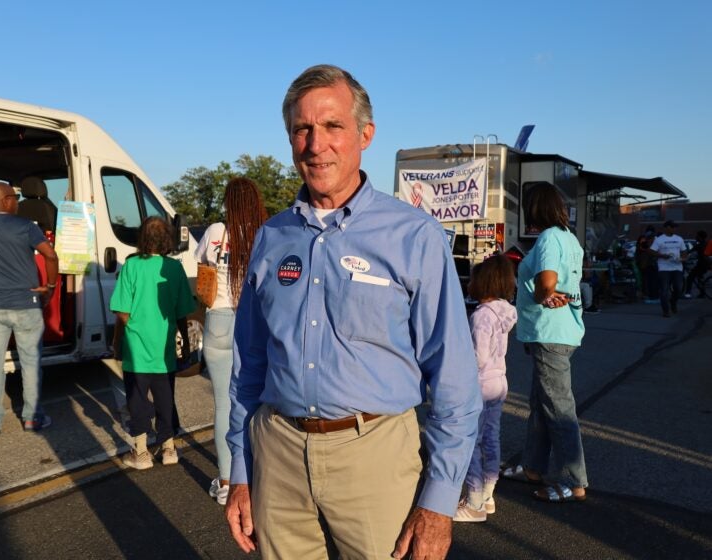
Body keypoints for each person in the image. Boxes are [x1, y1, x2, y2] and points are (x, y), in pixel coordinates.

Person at [225, 64, 481, 560]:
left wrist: (440, 502)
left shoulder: (414, 237)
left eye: (332, 126)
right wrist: (239, 469)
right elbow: (248, 365)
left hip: (376, 455)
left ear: (365, 134)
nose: (316, 144)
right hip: (277, 453)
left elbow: (453, 377)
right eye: (302, 129)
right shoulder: (271, 238)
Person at [502, 181, 588, 503]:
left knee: (557, 407)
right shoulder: (569, 238)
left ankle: (572, 481)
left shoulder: (550, 237)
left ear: (535, 209)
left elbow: (548, 280)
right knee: (541, 404)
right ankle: (533, 466)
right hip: (560, 332)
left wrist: (543, 295)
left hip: (550, 333)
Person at [0, 182, 59, 434]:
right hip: (26, 305)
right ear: (5, 200)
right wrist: (49, 286)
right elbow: (50, 255)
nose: (18, 202)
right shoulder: (26, 227)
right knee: (30, 362)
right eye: (15, 197)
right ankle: (32, 418)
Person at [195, 177, 268, 505]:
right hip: (253, 321)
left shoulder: (215, 232)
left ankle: (226, 482)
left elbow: (201, 269)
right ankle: (258, 476)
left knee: (224, 404)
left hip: (219, 320)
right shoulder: (265, 232)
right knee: (258, 401)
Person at [110, 217, 196, 469]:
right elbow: (182, 313)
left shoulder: (131, 266)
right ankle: (168, 449)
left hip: (137, 346)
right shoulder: (174, 268)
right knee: (164, 397)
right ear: (167, 239)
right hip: (165, 346)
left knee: (136, 398)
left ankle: (141, 452)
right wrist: (186, 345)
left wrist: (120, 341)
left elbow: (121, 311)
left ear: (142, 238)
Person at [454, 255, 517, 523]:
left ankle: (474, 502)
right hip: (499, 381)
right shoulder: (505, 311)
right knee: (491, 439)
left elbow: (476, 357)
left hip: (478, 385)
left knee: (471, 442)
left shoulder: (481, 316)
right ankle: (488, 495)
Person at [649, 220, 687, 317]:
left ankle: (673, 302)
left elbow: (684, 251)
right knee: (664, 290)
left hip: (677, 267)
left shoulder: (679, 239)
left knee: (678, 288)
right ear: (666, 228)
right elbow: (651, 251)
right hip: (664, 268)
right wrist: (662, 256)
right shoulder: (659, 239)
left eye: (675, 227)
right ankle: (666, 310)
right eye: (672, 227)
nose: (675, 229)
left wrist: (683, 258)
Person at [635, 226, 659, 302]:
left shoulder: (650, 239)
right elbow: (643, 248)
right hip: (647, 263)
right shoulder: (645, 239)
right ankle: (650, 295)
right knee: (649, 280)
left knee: (649, 280)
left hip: (646, 263)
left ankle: (650, 295)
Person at [683, 230, 708, 298]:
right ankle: (702, 293)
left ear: (700, 237)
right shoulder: (707, 243)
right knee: (700, 278)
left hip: (701, 264)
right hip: (707, 264)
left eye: (697, 236)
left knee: (690, 277)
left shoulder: (698, 245)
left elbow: (689, 252)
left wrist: (682, 256)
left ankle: (688, 294)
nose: (696, 237)